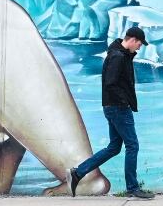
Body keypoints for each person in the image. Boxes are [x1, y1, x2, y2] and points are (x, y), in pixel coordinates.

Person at [66, 26, 155, 199]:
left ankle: (77, 173)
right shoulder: (118, 56)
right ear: (133, 40)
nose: (139, 48)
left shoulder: (119, 54)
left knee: (114, 147)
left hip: (112, 107)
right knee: (132, 145)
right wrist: (124, 103)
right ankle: (132, 187)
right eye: (139, 44)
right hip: (118, 108)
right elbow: (110, 83)